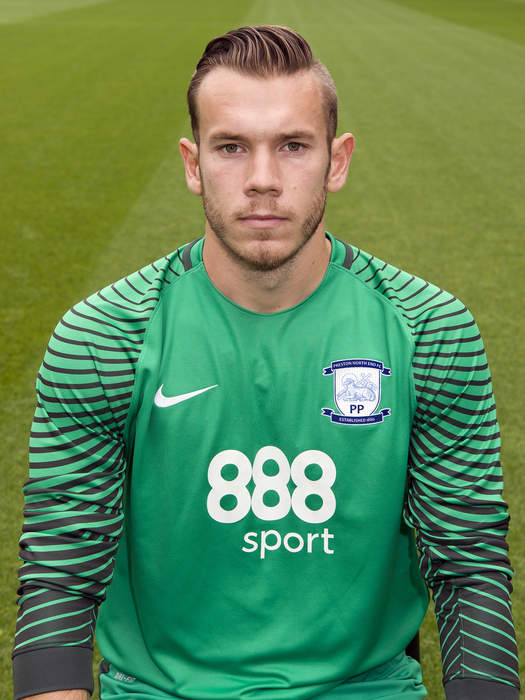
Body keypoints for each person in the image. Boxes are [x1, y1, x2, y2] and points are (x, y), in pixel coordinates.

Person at [12, 25, 519, 700]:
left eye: (292, 146)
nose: (261, 180)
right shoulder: (104, 337)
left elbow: (468, 567)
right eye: (230, 147)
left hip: (362, 689)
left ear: (336, 161)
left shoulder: (428, 330)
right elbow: (60, 577)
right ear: (193, 165)